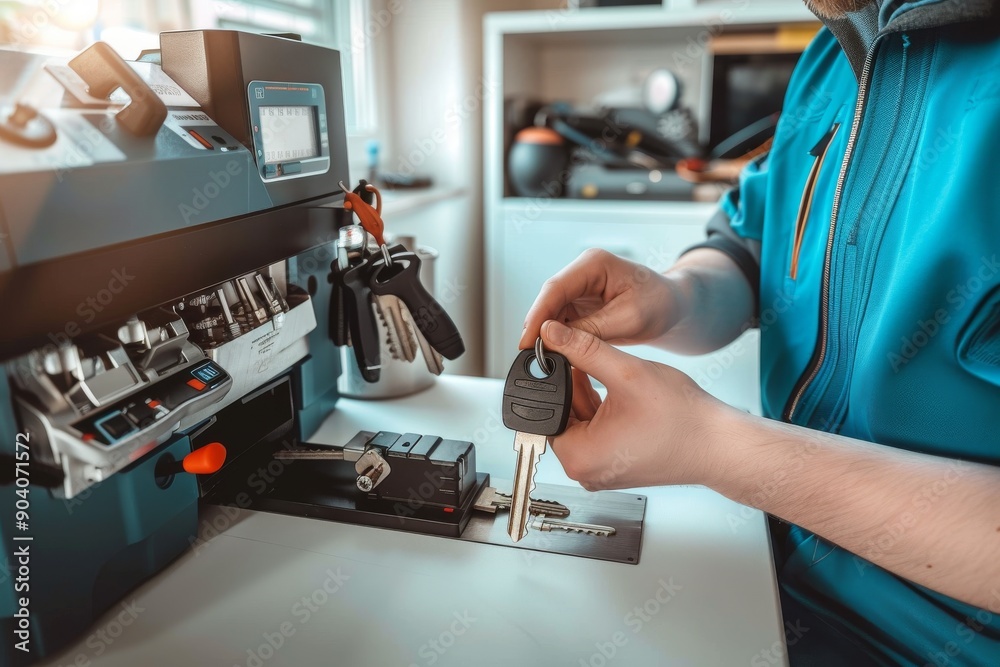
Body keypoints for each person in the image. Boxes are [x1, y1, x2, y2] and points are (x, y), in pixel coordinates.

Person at [519, 0, 1000, 664]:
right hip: (765, 567)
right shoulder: (834, 53)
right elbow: (752, 246)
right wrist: (675, 295)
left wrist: (715, 446)